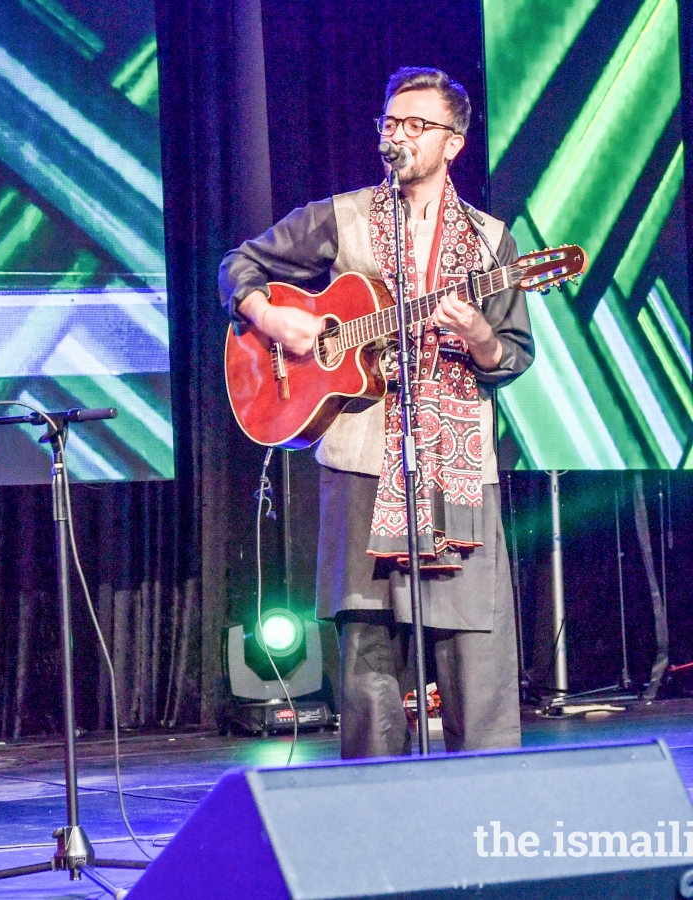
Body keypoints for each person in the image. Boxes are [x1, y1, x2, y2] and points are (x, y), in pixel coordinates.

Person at [219, 67, 534, 758]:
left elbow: (512, 354)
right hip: (362, 459)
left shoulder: (491, 242)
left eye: (416, 125)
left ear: (453, 142)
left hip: (455, 469)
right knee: (366, 654)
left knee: (474, 647)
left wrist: (477, 335)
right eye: (391, 123)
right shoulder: (342, 216)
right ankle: (373, 811)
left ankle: (488, 810)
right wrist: (272, 317)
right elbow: (239, 263)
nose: (398, 136)